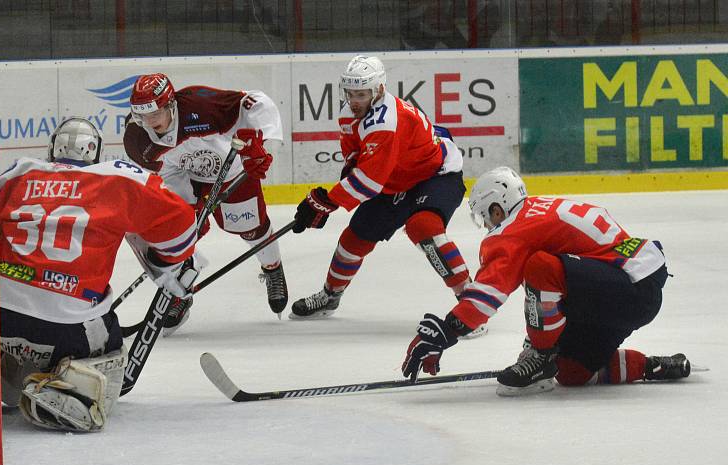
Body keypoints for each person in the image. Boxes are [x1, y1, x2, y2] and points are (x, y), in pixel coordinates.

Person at [401, 166, 692, 396]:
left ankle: (541, 355)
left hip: (626, 287)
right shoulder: (541, 210)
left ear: (496, 209)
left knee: (540, 267)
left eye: (485, 218)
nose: (488, 226)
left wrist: (448, 330)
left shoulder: (515, 227)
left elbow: (491, 290)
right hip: (628, 289)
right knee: (571, 372)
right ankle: (652, 366)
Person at [0, 117, 202, 431]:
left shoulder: (18, 172)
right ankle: (63, 390)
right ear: (96, 153)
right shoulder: (118, 177)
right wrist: (164, 261)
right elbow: (182, 228)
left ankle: (5, 373)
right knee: (112, 353)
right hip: (65, 327)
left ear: (53, 149)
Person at [290, 54, 481, 333]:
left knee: (423, 227)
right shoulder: (350, 113)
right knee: (354, 238)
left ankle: (471, 307)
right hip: (395, 180)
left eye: (362, 94)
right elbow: (357, 154)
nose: (354, 100)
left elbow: (368, 182)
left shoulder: (385, 123)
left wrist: (327, 202)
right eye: (351, 93)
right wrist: (349, 168)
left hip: (434, 175)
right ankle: (330, 296)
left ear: (378, 90)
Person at [123, 73, 288, 328]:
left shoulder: (201, 105)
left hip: (230, 170)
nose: (147, 121)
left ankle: (272, 267)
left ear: (170, 105)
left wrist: (264, 146)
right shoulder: (137, 138)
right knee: (176, 234)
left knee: (249, 228)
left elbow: (255, 102)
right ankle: (180, 292)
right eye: (141, 115)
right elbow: (165, 171)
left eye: (154, 113)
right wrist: (185, 205)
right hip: (186, 176)